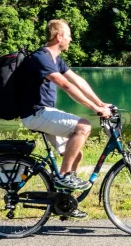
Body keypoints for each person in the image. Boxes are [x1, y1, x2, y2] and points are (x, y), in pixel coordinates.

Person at [19, 19, 111, 208]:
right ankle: (65, 177)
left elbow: (77, 81)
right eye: (68, 35)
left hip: (45, 113)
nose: (70, 40)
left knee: (76, 154)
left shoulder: (55, 59)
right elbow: (66, 85)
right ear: (59, 36)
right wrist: (94, 109)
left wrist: (101, 103)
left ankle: (64, 202)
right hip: (36, 113)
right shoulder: (42, 57)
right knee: (83, 126)